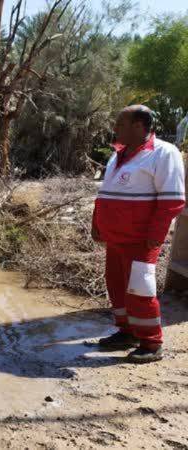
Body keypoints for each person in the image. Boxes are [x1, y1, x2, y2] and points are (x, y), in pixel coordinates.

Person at [92, 105, 185, 363]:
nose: (114, 128)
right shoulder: (118, 154)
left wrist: (156, 235)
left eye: (120, 124)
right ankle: (127, 332)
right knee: (117, 289)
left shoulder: (164, 153)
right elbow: (105, 195)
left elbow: (172, 200)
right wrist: (97, 225)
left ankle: (152, 343)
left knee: (140, 292)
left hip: (141, 240)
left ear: (138, 126)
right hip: (115, 238)